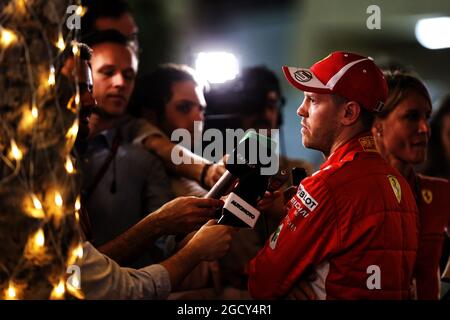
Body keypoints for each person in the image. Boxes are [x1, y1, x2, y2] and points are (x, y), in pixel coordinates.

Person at [61, 42, 236, 299]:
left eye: (129, 75)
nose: (198, 119)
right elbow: (84, 274)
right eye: (107, 72)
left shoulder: (140, 144)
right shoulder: (49, 166)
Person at [248, 51, 419, 299]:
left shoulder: (328, 185)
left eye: (312, 100)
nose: (300, 110)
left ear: (349, 113)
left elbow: (261, 282)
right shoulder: (399, 184)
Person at [79, 30, 174, 267]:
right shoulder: (49, 153)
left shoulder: (142, 157)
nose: (120, 82)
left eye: (129, 75)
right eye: (108, 72)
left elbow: (166, 247)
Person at [372, 70, 450, 299]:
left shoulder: (439, 192)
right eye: (411, 117)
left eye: (426, 117)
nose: (425, 128)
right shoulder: (345, 191)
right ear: (377, 124)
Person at [130, 63, 224, 197]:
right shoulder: (138, 132)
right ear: (151, 113)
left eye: (201, 109)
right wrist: (209, 172)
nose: (198, 119)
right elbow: (157, 144)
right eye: (184, 108)